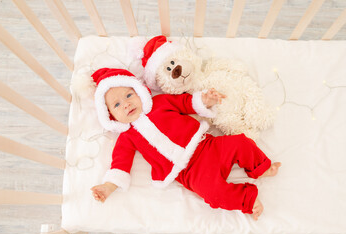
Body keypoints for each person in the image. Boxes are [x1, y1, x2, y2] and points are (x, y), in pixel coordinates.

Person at [90, 67, 281, 221]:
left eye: (129, 96)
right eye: (116, 105)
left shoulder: (160, 102)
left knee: (240, 142)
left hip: (207, 146)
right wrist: (108, 186)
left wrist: (205, 100)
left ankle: (259, 167)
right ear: (111, 116)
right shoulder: (126, 137)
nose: (125, 104)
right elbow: (120, 164)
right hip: (189, 172)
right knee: (213, 194)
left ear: (140, 92)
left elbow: (185, 102)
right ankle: (247, 199)